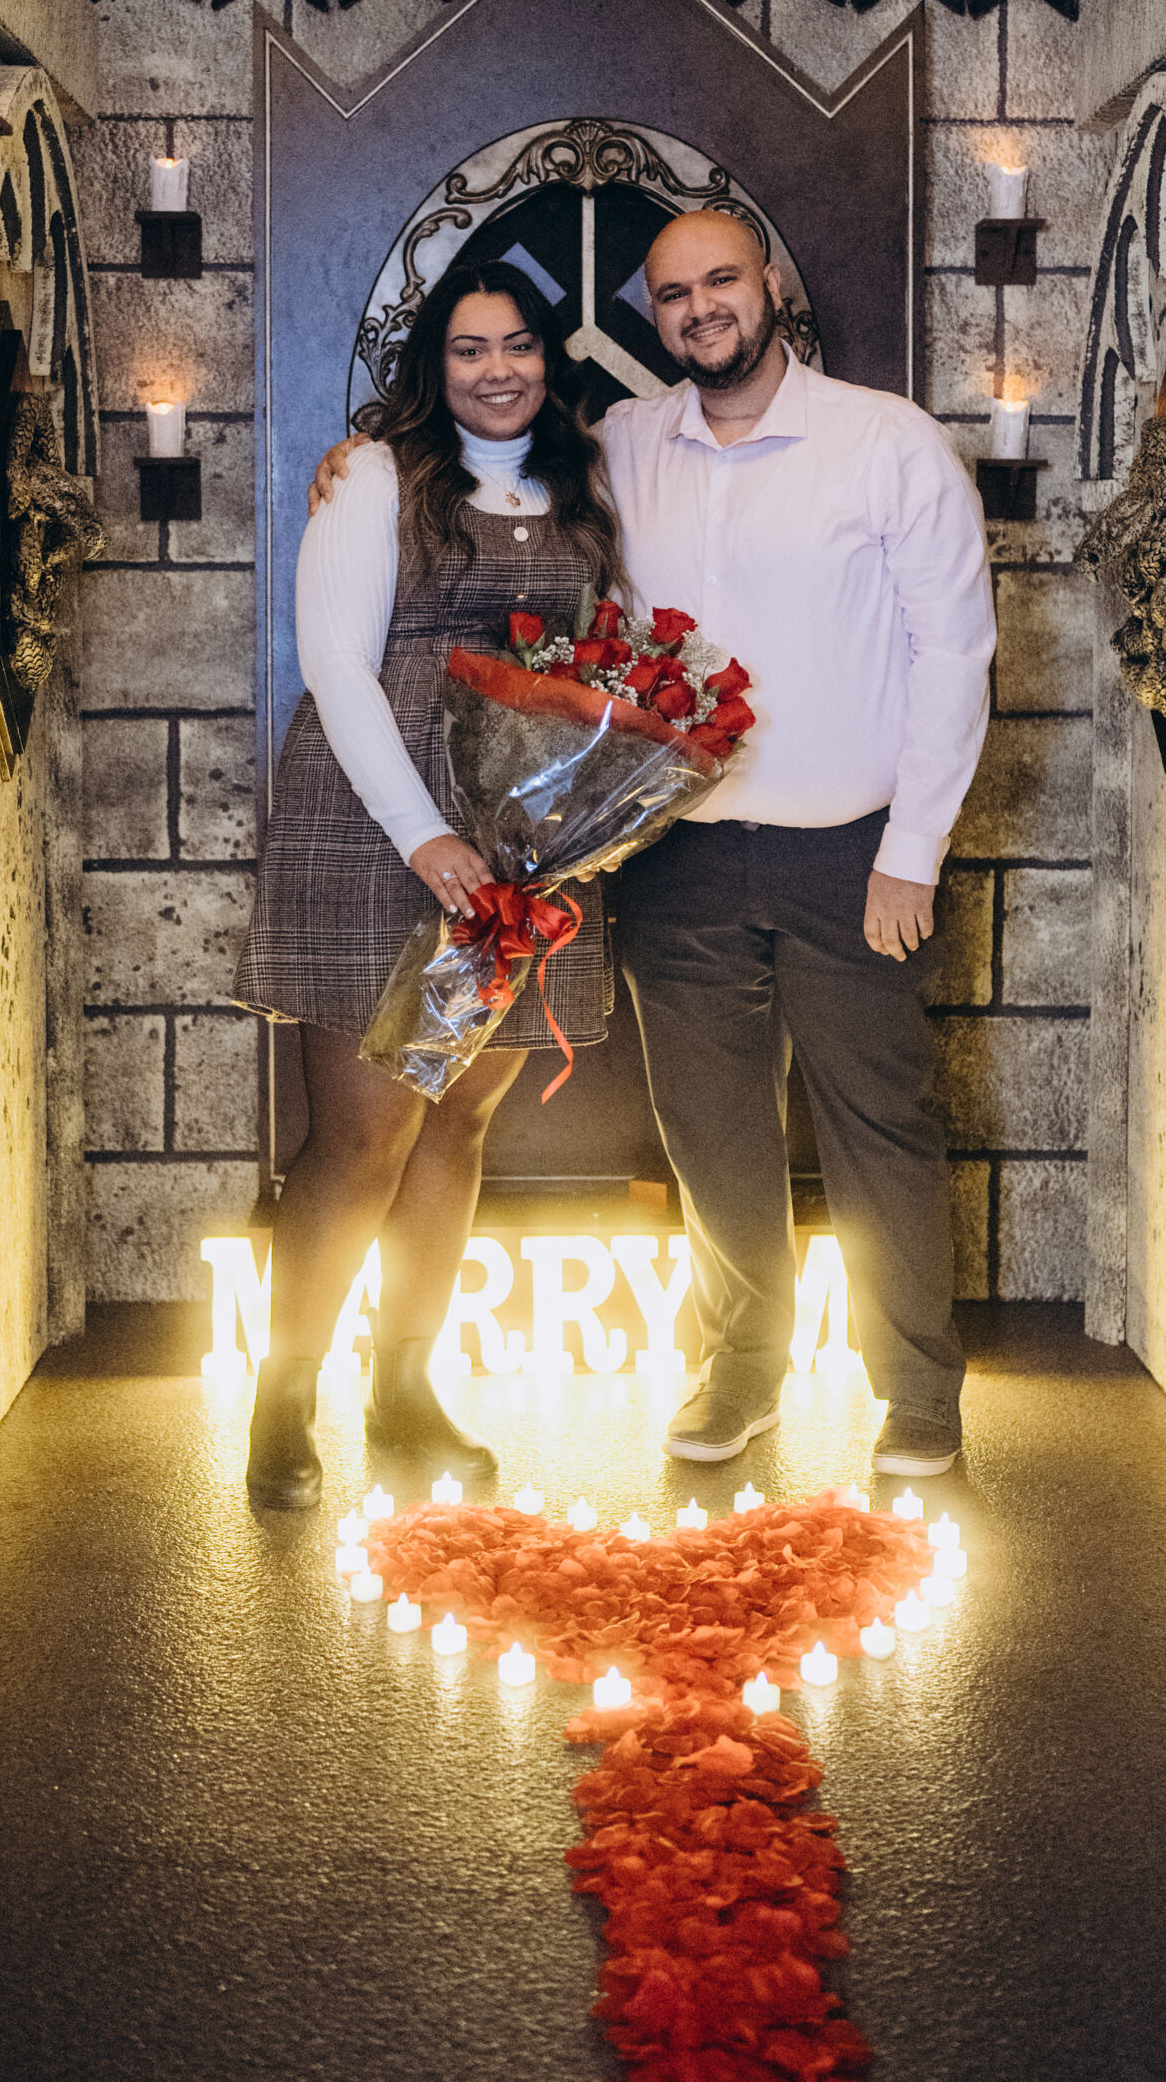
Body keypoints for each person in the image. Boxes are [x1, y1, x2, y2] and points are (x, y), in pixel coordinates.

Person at [314, 206, 994, 1479]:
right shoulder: (623, 444)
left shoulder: (887, 442)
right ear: (656, 316)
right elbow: (486, 449)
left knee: (879, 1123)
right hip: (676, 858)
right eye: (673, 294)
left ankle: (917, 1392)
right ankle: (740, 1374)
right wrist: (363, 455)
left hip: (853, 855)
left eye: (721, 280)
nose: (700, 309)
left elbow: (955, 651)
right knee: (711, 1131)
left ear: (771, 284)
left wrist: (915, 847)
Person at [233, 260, 621, 1511]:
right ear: (433, 364)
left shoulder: (587, 485)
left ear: (549, 358)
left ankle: (404, 1391)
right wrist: (421, 836)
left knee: (457, 1123)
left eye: (518, 345)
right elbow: (337, 667)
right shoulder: (372, 481)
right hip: (380, 830)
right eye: (469, 348)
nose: (498, 370)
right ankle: (284, 1398)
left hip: (522, 841)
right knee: (364, 1133)